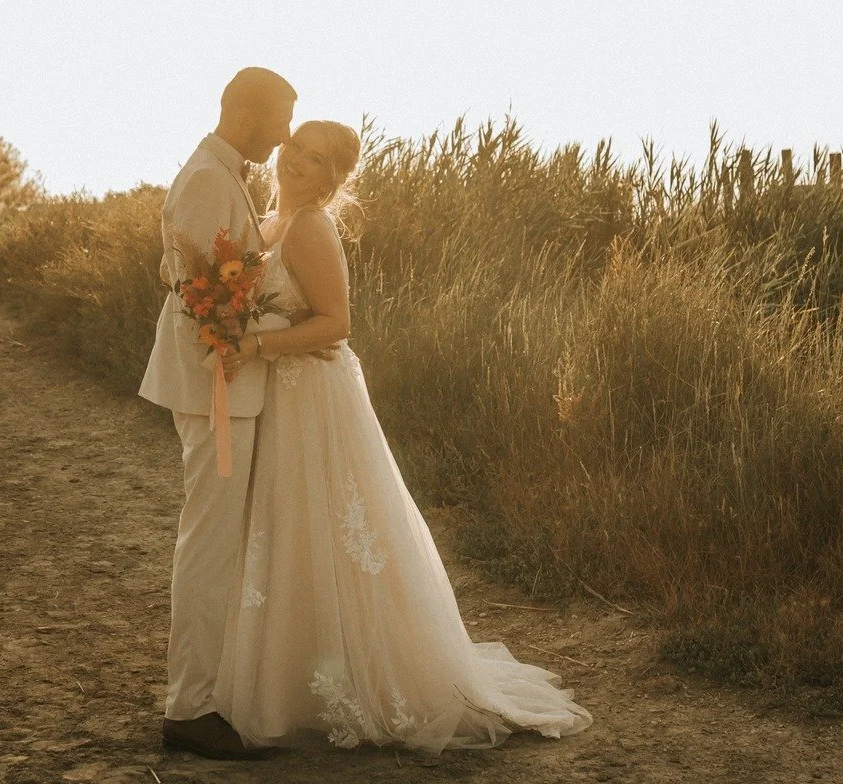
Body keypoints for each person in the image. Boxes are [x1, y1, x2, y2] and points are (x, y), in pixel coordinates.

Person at [211, 120, 594, 751]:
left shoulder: (308, 226)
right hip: (282, 395)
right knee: (291, 527)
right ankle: (300, 670)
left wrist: (254, 343)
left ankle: (367, 677)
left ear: (334, 179)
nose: (296, 163)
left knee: (332, 525)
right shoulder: (271, 223)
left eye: (314, 160)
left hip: (314, 395)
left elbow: (337, 324)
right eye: (293, 149)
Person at [138, 67, 301, 760]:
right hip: (217, 388)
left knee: (217, 541)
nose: (285, 135)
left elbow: (188, 274)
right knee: (208, 545)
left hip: (224, 384)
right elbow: (205, 296)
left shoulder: (217, 172)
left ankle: (210, 692)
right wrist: (248, 343)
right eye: (280, 120)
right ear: (244, 111)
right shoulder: (209, 177)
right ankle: (190, 708)